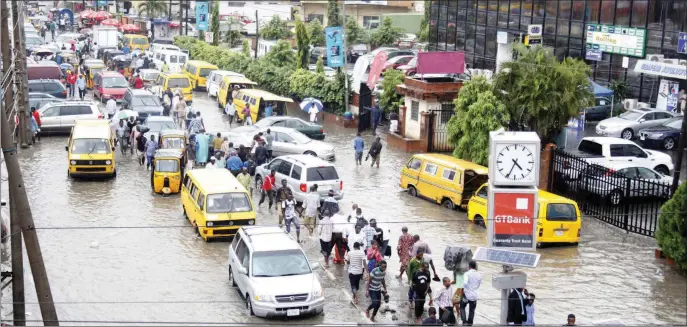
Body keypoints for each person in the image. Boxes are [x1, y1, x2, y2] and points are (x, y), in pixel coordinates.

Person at [460, 260, 481, 326]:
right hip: (474, 295)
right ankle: (470, 324)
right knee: (472, 310)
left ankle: (464, 321)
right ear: (475, 267)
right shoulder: (479, 274)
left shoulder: (467, 274)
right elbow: (478, 285)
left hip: (466, 295)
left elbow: (465, 283)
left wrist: (464, 290)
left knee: (462, 307)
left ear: (469, 267)